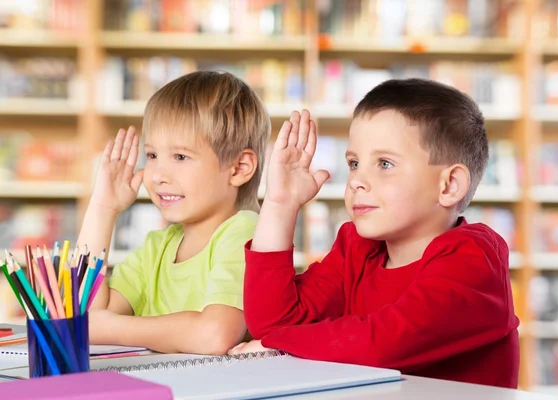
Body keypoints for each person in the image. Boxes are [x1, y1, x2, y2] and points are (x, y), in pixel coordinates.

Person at [230, 78, 520, 388]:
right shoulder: (357, 247)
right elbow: (272, 323)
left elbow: (386, 343)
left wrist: (279, 344)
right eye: (354, 163)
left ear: (449, 185)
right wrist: (280, 204)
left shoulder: (473, 259)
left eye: (384, 163)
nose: (356, 180)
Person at [79, 71, 270, 354]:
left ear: (239, 168)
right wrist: (102, 209)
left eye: (180, 157)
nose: (157, 175)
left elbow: (215, 335)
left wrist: (111, 328)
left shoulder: (246, 232)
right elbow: (83, 314)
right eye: (152, 155)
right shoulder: (159, 246)